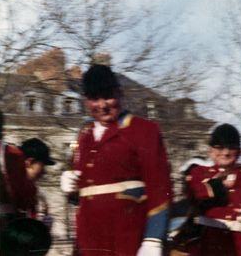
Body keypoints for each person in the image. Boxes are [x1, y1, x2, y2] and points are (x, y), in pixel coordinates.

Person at [60, 64, 173, 256]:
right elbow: (88, 193)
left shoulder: (143, 130)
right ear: (86, 101)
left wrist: (153, 239)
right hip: (89, 241)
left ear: (120, 94)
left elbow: (160, 188)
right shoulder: (84, 137)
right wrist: (72, 189)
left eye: (107, 96)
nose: (102, 105)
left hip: (127, 239)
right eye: (95, 99)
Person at [184, 123, 241, 255]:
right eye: (219, 148)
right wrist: (219, 183)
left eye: (231, 148)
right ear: (211, 150)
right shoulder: (198, 173)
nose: (225, 152)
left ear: (239, 151)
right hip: (207, 245)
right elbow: (194, 196)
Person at [0, 138, 55, 231]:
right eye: (42, 165)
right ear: (29, 162)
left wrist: (40, 228)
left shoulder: (26, 190)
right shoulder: (5, 182)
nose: (44, 172)